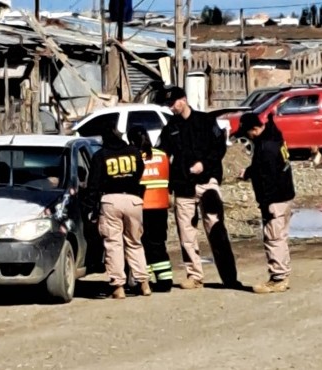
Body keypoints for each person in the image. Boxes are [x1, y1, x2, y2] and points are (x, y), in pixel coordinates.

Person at [155, 85, 240, 289]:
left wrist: (205, 164)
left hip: (207, 182)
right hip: (183, 186)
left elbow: (219, 147)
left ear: (183, 99)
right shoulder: (170, 128)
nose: (171, 107)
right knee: (186, 234)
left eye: (173, 103)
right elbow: (162, 155)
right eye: (168, 104)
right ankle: (194, 275)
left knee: (216, 229)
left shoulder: (206, 121)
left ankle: (229, 278)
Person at [85, 121, 152, 299]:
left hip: (110, 200)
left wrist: (90, 208)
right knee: (135, 243)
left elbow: (93, 185)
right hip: (133, 200)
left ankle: (118, 287)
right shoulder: (134, 152)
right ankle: (144, 283)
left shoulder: (100, 156)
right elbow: (139, 173)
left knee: (114, 244)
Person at [237, 112, 295, 294]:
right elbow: (263, 168)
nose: (248, 138)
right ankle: (282, 274)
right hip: (285, 196)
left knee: (273, 238)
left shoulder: (266, 147)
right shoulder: (274, 137)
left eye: (247, 134)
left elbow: (268, 177)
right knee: (281, 237)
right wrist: (248, 173)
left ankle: (278, 278)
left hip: (274, 200)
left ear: (254, 129)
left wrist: (266, 203)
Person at [127, 125, 173, 292]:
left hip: (142, 206)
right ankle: (165, 280)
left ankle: (143, 279)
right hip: (161, 206)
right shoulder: (162, 155)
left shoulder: (135, 157)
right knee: (159, 243)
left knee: (141, 244)